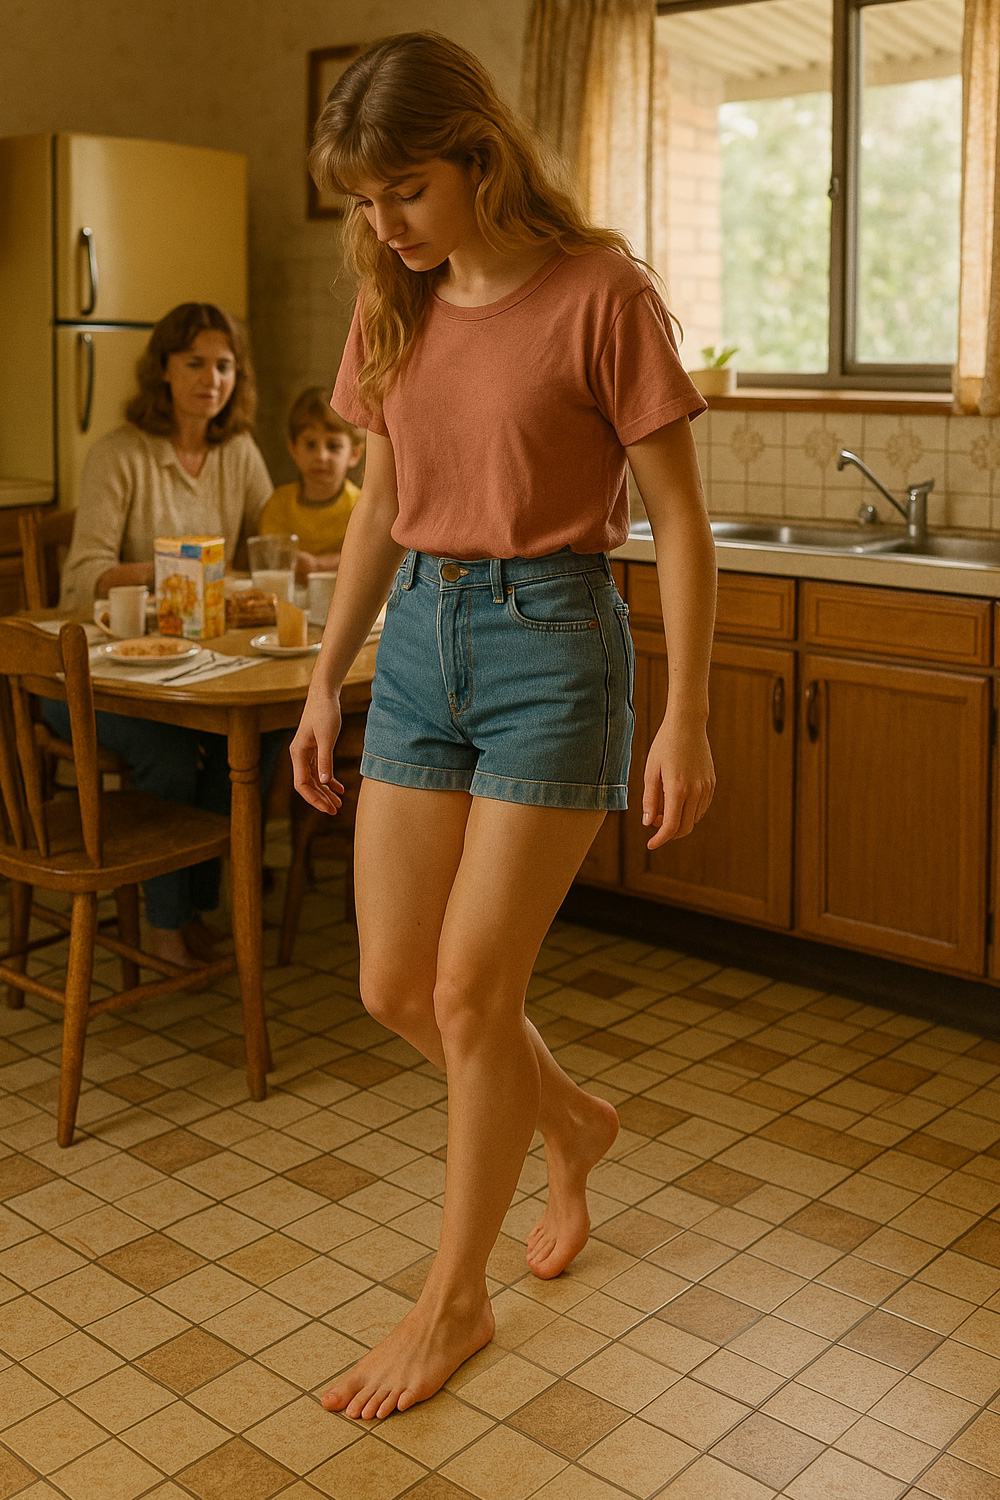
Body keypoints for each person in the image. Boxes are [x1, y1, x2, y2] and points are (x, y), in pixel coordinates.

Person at [290, 32, 717, 1421]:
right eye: (363, 199)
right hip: (419, 639)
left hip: (554, 645)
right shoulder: (390, 299)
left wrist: (688, 715)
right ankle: (574, 1122)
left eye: (401, 190)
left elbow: (680, 522)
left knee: (473, 991)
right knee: (395, 987)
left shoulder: (603, 295)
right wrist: (323, 676)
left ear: (477, 155)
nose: (381, 223)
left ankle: (454, 1300)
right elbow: (377, 502)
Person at [51, 302, 280, 968]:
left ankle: (197, 900)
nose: (212, 379)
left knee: (266, 727)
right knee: (175, 753)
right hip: (90, 679)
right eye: (195, 364)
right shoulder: (119, 454)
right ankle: (166, 922)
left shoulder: (237, 452)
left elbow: (263, 547)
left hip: (192, 668)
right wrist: (173, 569)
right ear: (163, 370)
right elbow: (85, 573)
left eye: (224, 366)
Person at [259, 388, 364, 582]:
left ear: (354, 454)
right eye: (310, 444)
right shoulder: (279, 504)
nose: (321, 456)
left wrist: (319, 565)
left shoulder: (361, 506)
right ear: (293, 448)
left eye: (333, 446)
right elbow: (269, 555)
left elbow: (370, 557)